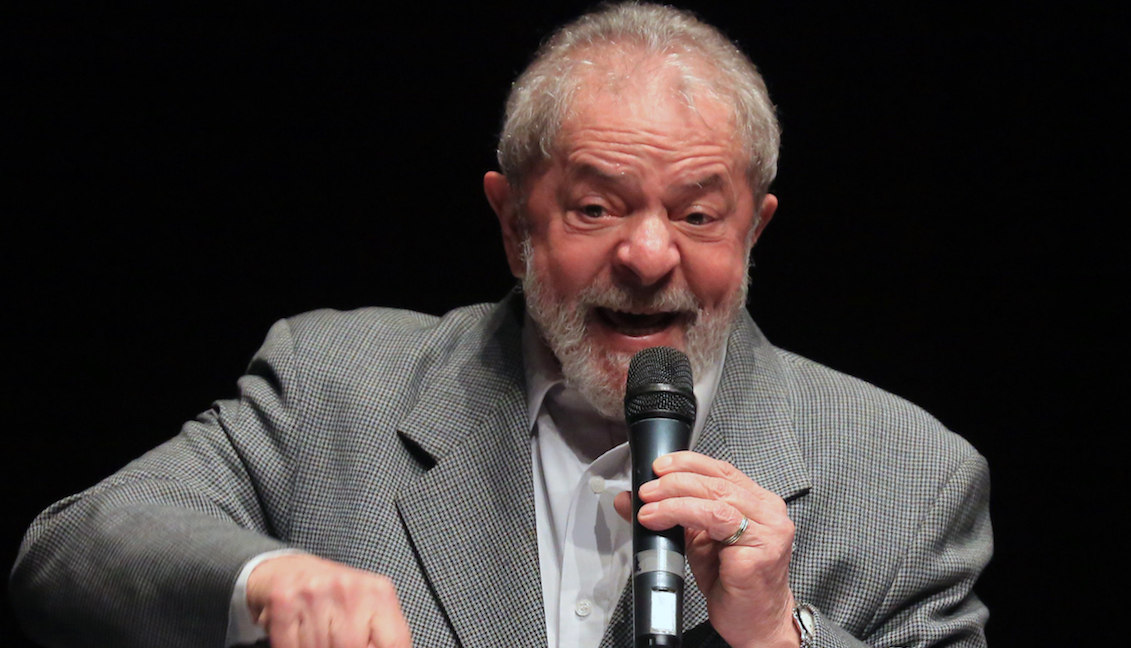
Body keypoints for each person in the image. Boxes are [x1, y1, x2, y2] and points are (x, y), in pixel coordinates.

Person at [10, 4, 991, 648]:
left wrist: (782, 631)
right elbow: (73, 552)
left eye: (698, 214)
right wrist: (268, 580)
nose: (649, 257)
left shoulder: (905, 474)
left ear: (755, 228)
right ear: (514, 221)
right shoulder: (335, 387)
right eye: (596, 208)